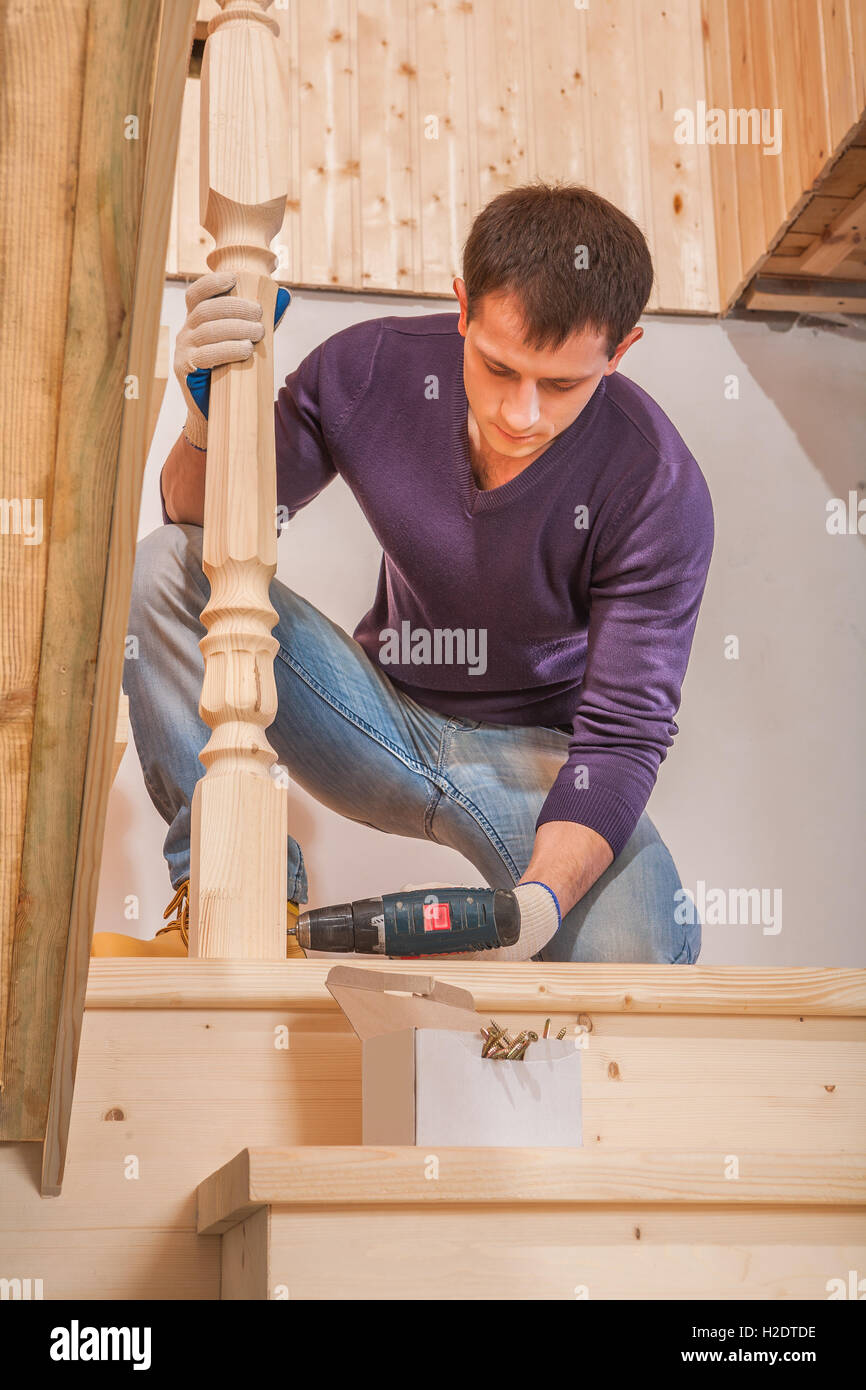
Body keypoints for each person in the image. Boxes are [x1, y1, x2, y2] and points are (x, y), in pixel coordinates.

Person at [91, 183, 713, 963]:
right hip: (370, 718)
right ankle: (228, 898)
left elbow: (622, 739)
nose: (522, 414)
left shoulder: (656, 486)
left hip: (538, 763)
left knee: (641, 960)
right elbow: (203, 531)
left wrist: (540, 905)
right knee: (167, 568)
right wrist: (205, 423)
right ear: (463, 305)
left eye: (561, 385)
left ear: (621, 352)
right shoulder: (368, 371)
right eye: (498, 367)